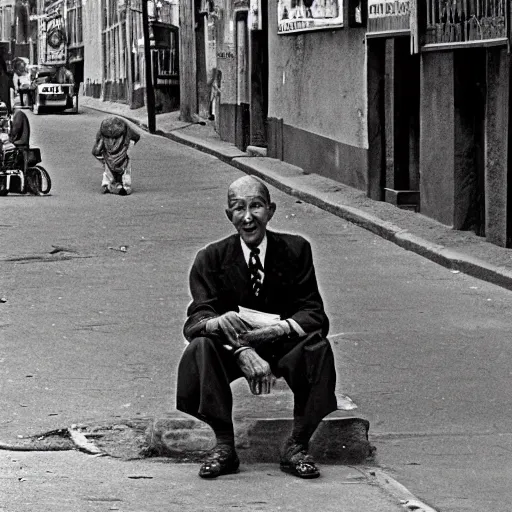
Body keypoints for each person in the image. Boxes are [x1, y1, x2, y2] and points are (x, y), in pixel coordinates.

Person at [176, 175, 338, 480]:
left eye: (256, 206)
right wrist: (237, 345)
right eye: (239, 208)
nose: (248, 217)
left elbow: (314, 313)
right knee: (200, 347)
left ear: (271, 210)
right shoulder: (211, 258)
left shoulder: (296, 250)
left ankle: (297, 445)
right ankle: (224, 444)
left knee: (318, 347)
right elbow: (196, 320)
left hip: (284, 344)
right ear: (229, 215)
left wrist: (278, 330)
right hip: (232, 348)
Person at [92, 116, 140, 195]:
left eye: (115, 138)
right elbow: (96, 151)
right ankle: (108, 184)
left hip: (122, 154)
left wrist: (128, 147)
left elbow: (136, 137)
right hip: (110, 155)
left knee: (125, 169)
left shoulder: (126, 132)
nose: (112, 141)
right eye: (108, 138)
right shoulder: (103, 135)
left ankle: (125, 186)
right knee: (109, 170)